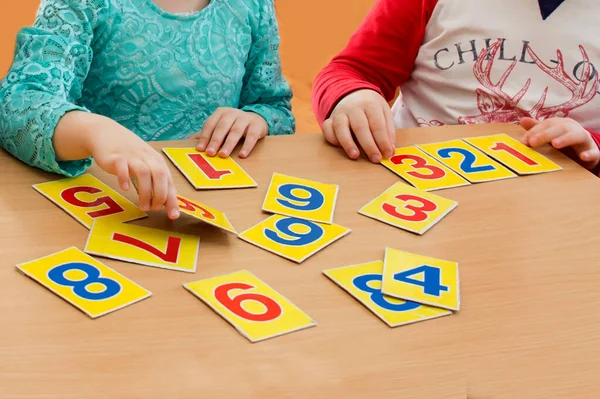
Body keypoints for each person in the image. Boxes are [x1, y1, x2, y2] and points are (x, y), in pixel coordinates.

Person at [0, 0, 295, 219]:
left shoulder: (252, 6)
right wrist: (94, 130)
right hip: (106, 212)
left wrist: (257, 118)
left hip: (216, 215)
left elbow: (276, 109)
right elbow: (16, 104)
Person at [312, 0, 600, 174]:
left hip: (560, 200)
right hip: (414, 178)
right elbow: (351, 70)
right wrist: (350, 96)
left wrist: (593, 147)